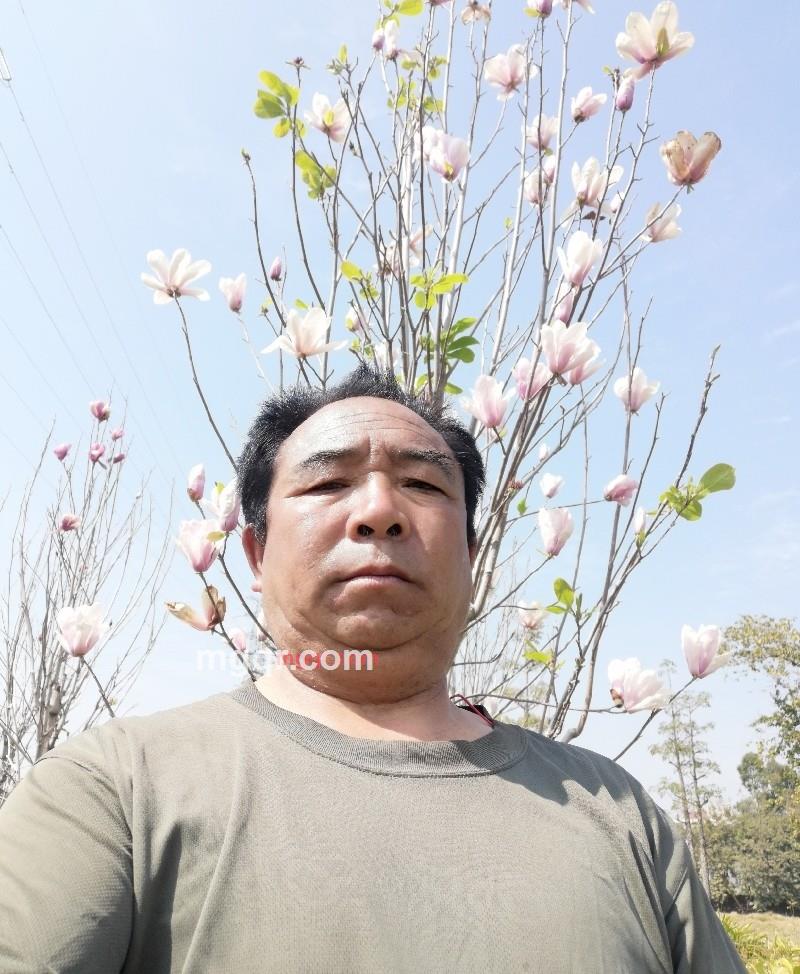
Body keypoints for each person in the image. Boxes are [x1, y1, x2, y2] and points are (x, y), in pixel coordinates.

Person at [0, 364, 746, 973]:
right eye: (328, 484)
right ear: (255, 554)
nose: (380, 511)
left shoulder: (619, 814)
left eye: (423, 485)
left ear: (471, 556)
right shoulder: (114, 791)